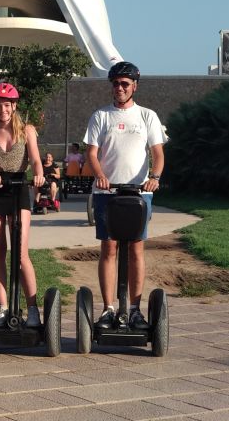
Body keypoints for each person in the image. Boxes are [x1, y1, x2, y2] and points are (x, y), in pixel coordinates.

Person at [83, 61, 167, 332]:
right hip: (107, 193)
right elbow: (92, 153)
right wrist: (100, 175)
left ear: (134, 87)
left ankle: (134, 309)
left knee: (135, 248)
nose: (119, 88)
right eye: (116, 83)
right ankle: (108, 308)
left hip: (139, 193)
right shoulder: (101, 116)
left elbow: (157, 153)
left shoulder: (147, 116)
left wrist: (154, 177)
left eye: (125, 84)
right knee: (108, 248)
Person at [0, 82, 45, 326]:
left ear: (14, 106)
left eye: (6, 105)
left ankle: (33, 308)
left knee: (20, 253)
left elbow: (36, 160)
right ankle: (3, 307)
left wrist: (39, 175)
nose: (2, 110)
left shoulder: (27, 130)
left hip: (19, 190)